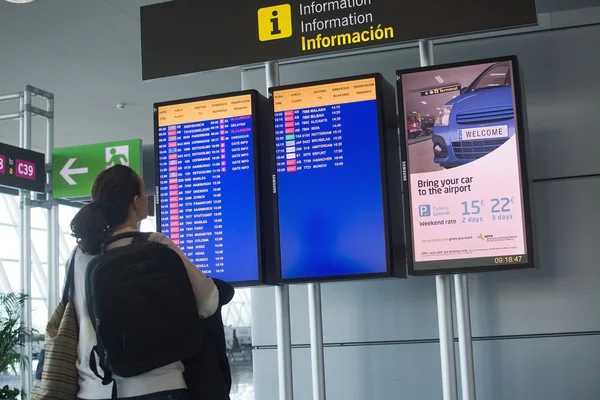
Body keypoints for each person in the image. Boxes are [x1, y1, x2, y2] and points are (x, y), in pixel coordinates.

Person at [70, 165, 219, 400]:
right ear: (136, 203)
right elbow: (208, 302)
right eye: (144, 191)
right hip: (159, 386)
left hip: (94, 388)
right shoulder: (155, 244)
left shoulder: (79, 255)